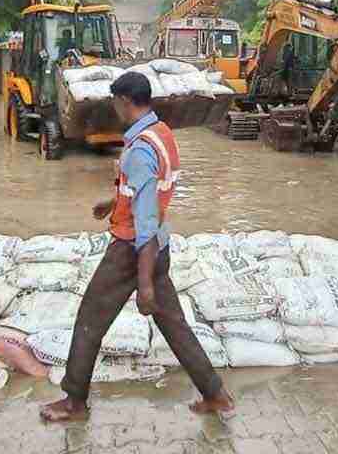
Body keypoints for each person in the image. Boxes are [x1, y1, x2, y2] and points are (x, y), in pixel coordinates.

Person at [41, 71, 235, 422]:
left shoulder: (140, 149)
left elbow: (143, 223)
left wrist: (144, 284)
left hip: (132, 251)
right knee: (173, 323)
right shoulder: (161, 134)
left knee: (90, 320)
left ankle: (74, 401)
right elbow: (147, 196)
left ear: (125, 101)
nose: (114, 107)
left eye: (115, 101)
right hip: (157, 245)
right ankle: (216, 394)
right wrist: (112, 203)